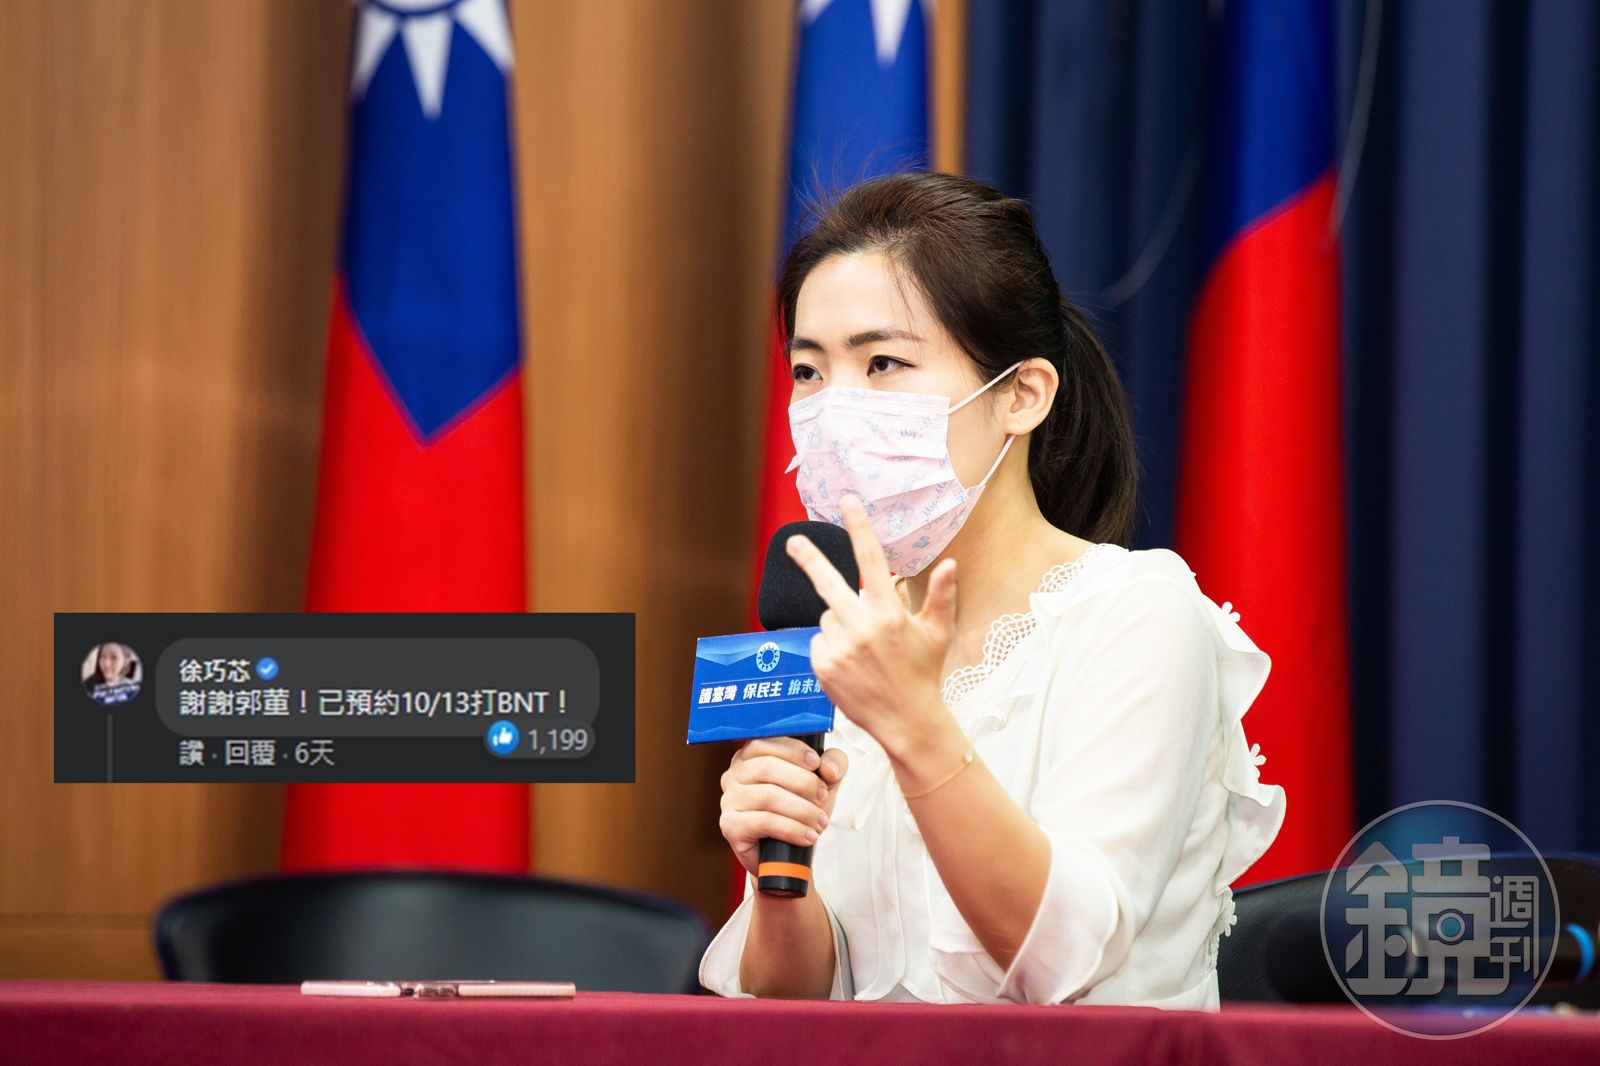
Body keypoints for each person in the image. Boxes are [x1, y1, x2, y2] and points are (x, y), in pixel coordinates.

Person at [700, 171, 1285, 1009]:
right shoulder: (839, 642)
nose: (834, 412)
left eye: (883, 362)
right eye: (809, 370)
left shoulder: (1138, 616)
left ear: (1021, 394)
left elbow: (1063, 963)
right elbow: (791, 1004)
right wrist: (776, 869)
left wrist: (913, 725)